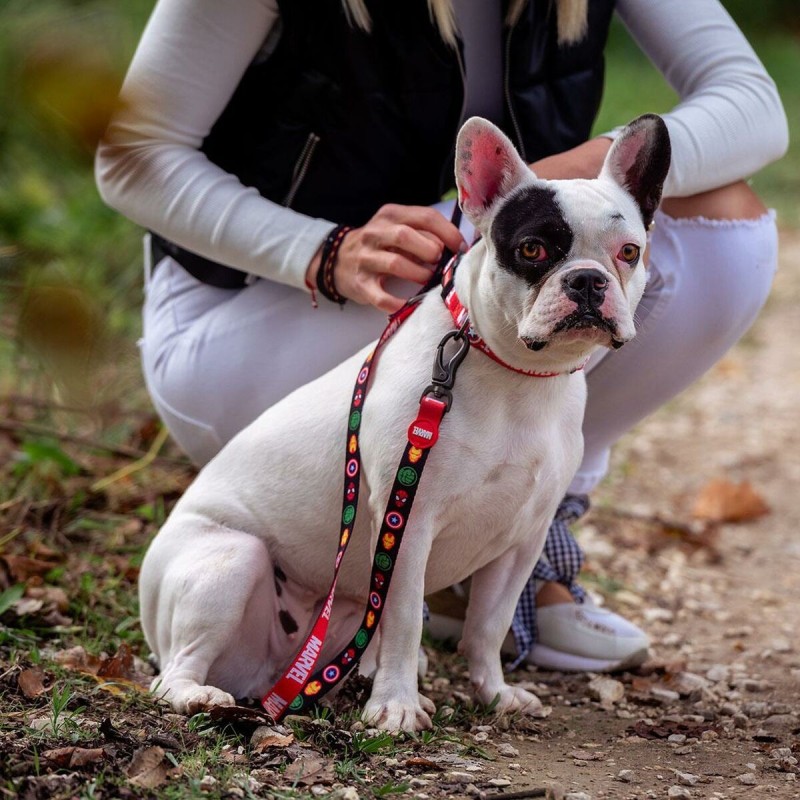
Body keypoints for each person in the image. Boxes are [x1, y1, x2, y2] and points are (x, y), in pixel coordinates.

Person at [96, 0, 788, 674]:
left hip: (476, 259)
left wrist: (564, 189)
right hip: (256, 311)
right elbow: (132, 153)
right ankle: (436, 553)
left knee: (725, 226)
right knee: (467, 262)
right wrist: (318, 250)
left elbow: (754, 106)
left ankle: (501, 535)